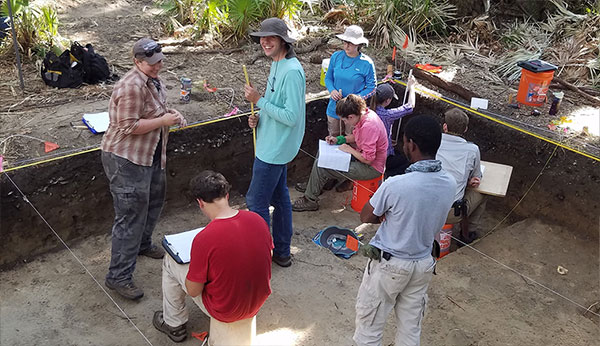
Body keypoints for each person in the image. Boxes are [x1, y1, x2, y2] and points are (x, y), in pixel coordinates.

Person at [353, 116, 456, 346]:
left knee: (369, 330)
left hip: (391, 264)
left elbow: (366, 216)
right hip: (423, 263)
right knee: (410, 330)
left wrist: (387, 212)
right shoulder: (449, 182)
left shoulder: (396, 184)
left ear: (412, 145)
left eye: (405, 142)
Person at [101, 38, 186, 300]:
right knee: (130, 217)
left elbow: (153, 112)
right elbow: (126, 126)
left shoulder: (152, 80)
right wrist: (163, 120)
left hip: (150, 154)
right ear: (137, 62)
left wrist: (170, 114)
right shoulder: (130, 86)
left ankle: (142, 244)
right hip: (126, 159)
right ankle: (118, 276)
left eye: (159, 60)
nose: (158, 65)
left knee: (153, 201)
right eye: (151, 63)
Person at [153, 171, 273, 343]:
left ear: (200, 203)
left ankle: (174, 323)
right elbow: (268, 254)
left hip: (225, 309)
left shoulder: (204, 238)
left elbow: (194, 290)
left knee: (170, 260)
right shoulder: (257, 219)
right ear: (227, 195)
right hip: (258, 299)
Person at [243, 18, 306, 268]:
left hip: (274, 150)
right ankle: (281, 252)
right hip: (273, 142)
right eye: (262, 37)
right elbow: (277, 107)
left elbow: (291, 117)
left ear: (283, 41)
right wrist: (259, 117)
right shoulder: (277, 64)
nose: (265, 42)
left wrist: (259, 100)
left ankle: (260, 255)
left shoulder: (291, 72)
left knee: (256, 201)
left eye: (271, 37)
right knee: (280, 199)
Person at [292, 94, 387, 212]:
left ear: (351, 116)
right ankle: (317, 186)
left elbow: (368, 159)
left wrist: (349, 149)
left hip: (371, 168)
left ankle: (310, 200)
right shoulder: (364, 115)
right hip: (361, 158)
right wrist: (339, 139)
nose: (345, 123)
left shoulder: (369, 126)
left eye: (344, 120)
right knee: (321, 154)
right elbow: (357, 136)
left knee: (321, 166)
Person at [436, 108, 485, 242]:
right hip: (451, 213)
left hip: (426, 206)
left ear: (445, 127)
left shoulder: (433, 142)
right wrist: (469, 182)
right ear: (465, 129)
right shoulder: (472, 149)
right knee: (481, 192)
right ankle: (468, 233)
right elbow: (476, 177)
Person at [325, 25, 376, 137]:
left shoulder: (367, 63)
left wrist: (355, 99)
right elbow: (328, 78)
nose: (346, 46)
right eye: (345, 42)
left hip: (354, 110)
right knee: (333, 136)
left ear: (359, 44)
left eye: (351, 43)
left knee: (353, 137)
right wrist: (332, 90)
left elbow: (372, 87)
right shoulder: (336, 57)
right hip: (334, 107)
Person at [372, 77, 416, 177]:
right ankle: (388, 176)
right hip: (383, 157)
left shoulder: (368, 110)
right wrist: (412, 87)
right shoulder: (387, 115)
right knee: (407, 162)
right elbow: (410, 106)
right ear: (387, 101)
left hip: (372, 153)